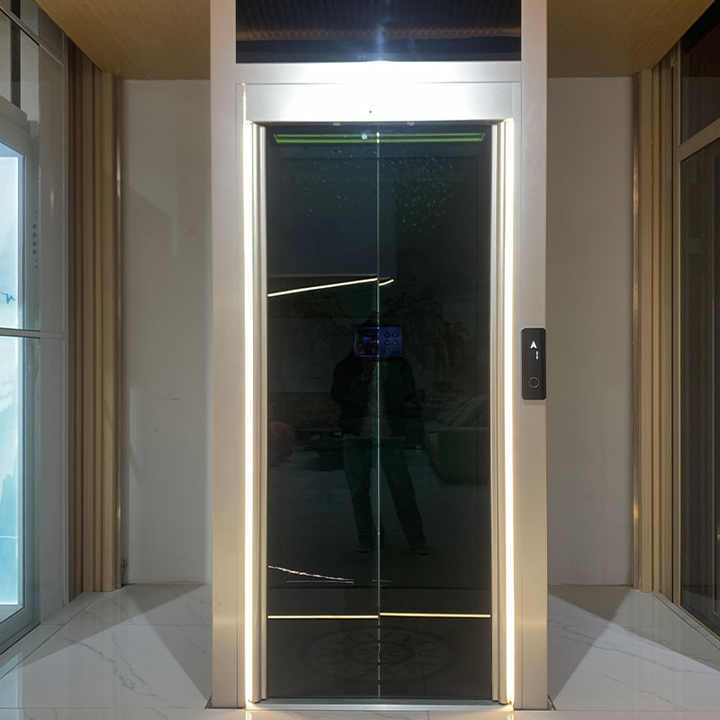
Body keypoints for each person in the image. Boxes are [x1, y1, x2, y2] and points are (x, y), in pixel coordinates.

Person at [331, 323, 428, 554]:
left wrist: (387, 371)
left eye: (379, 340)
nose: (374, 346)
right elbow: (339, 397)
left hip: (389, 435)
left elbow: (406, 397)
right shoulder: (346, 367)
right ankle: (368, 539)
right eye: (368, 341)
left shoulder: (398, 366)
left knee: (401, 488)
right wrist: (363, 376)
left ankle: (416, 539)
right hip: (356, 436)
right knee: (359, 491)